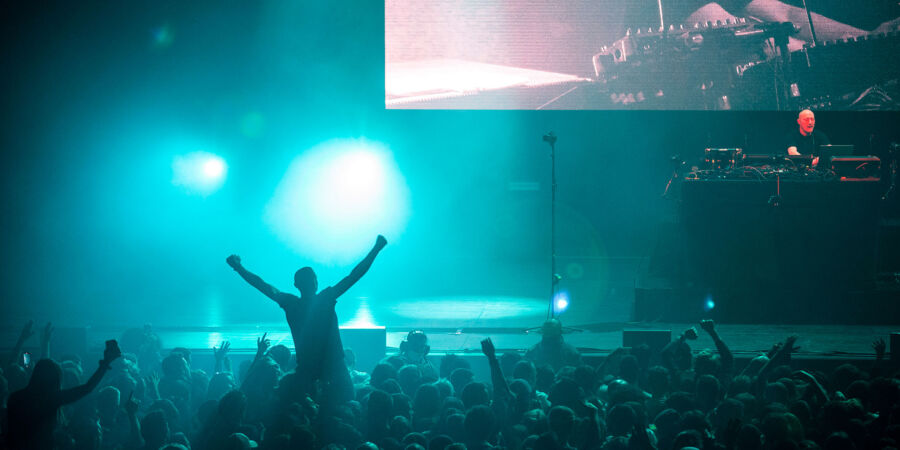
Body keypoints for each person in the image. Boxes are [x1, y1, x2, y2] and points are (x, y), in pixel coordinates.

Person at [226, 235, 387, 406]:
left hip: (307, 369)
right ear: (315, 283)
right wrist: (376, 249)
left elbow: (262, 285)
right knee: (348, 405)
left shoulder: (291, 304)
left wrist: (239, 268)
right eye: (314, 279)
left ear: (296, 285)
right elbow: (354, 275)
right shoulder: (325, 298)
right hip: (334, 367)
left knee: (304, 410)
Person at [6, 340, 122, 449]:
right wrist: (105, 363)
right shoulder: (51, 399)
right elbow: (87, 388)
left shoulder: (15, 397)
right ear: (55, 379)